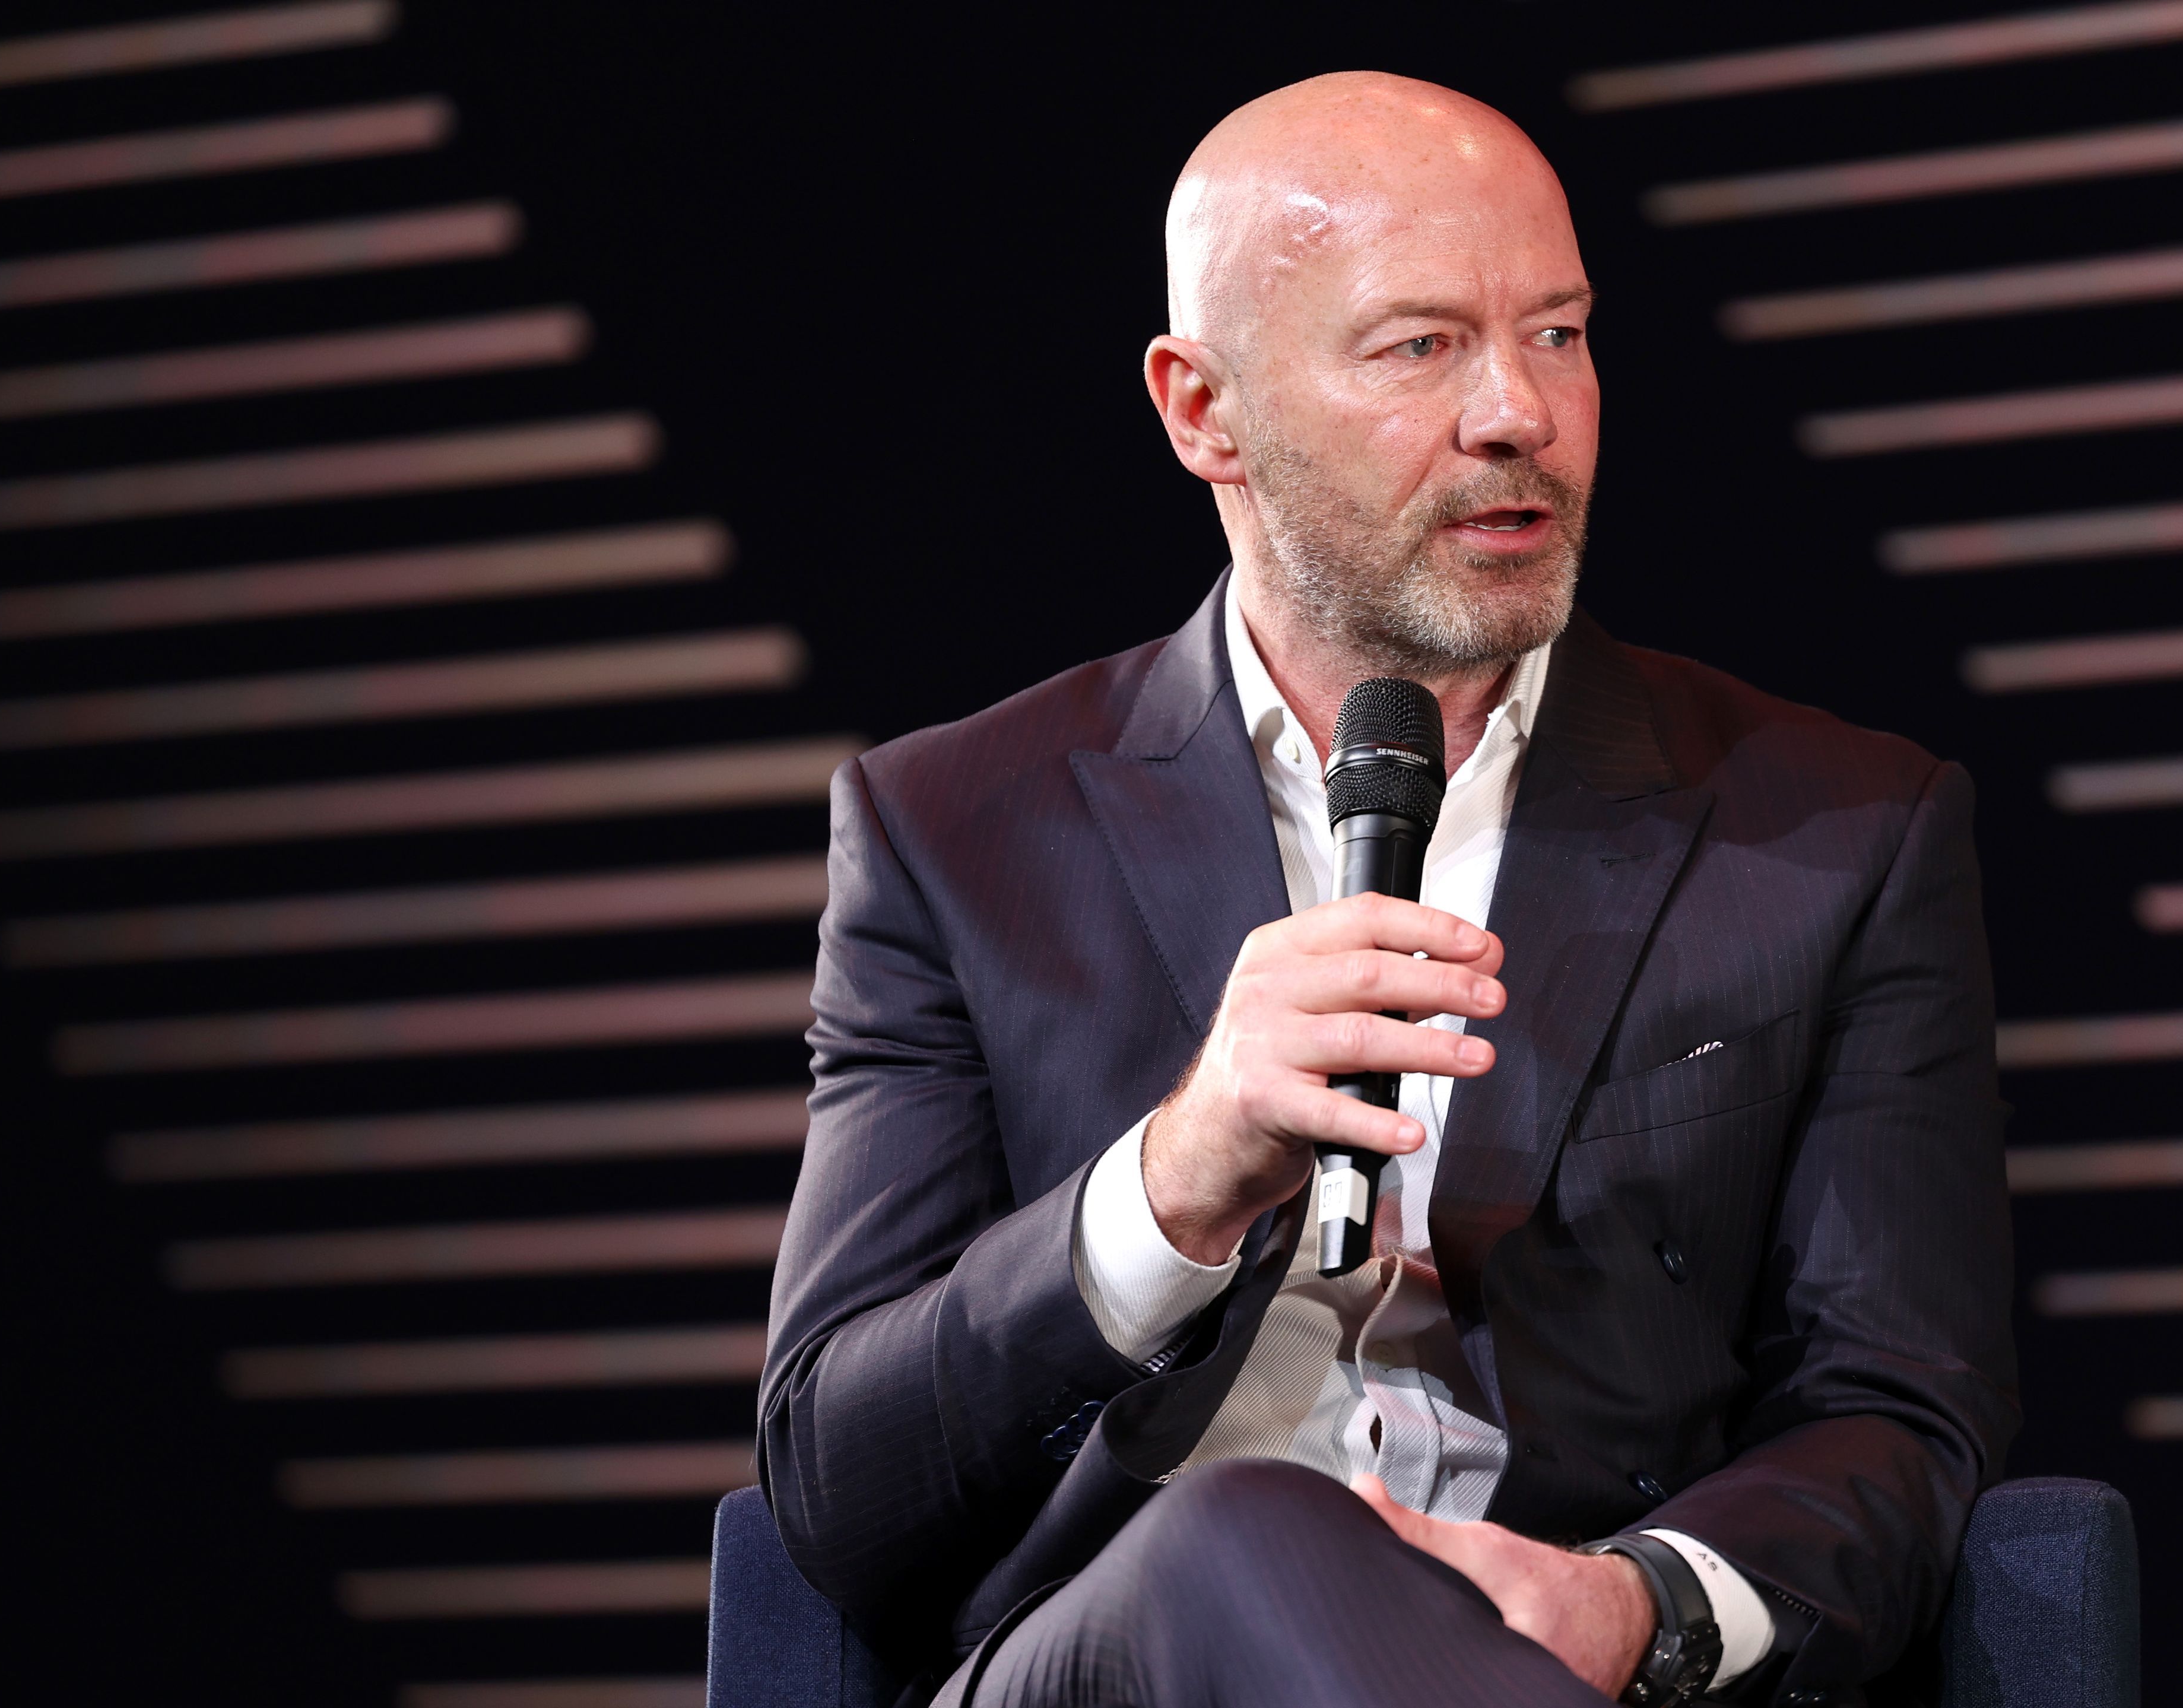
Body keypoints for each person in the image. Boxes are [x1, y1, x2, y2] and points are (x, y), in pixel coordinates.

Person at [760, 71, 2017, 1707]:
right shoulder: (955, 829)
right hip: (1119, 1658)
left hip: (1570, 1671)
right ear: (1203, 412)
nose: (1519, 414)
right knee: (1243, 1534)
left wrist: (1634, 1607)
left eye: (1558, 334)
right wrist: (1177, 1179)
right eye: (1420, 346)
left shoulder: (1840, 830)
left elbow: (1899, 1408)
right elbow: (837, 1483)